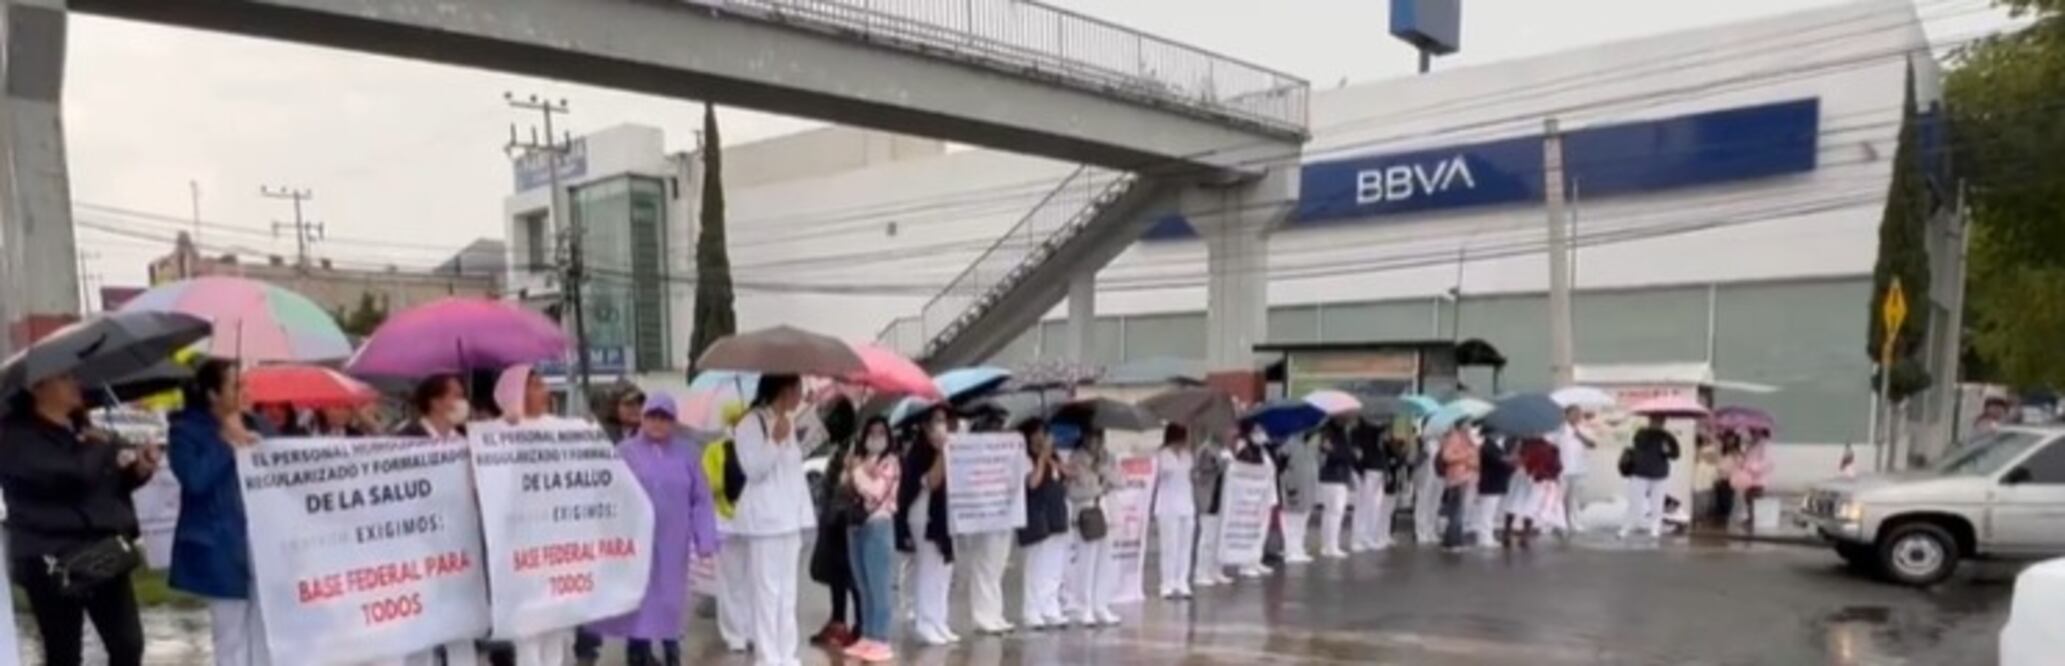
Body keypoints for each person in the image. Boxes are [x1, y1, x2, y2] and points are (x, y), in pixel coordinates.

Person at [2, 371, 156, 666]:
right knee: (64, 651)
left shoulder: (80, 428)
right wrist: (98, 446)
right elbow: (71, 477)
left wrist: (136, 471)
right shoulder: (17, 438)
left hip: (100, 549)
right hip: (51, 556)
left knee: (128, 644)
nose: (76, 384)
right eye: (65, 378)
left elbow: (102, 487)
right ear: (39, 387)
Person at [586, 392, 720, 666]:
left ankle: (672, 651)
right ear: (643, 418)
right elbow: (607, 493)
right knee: (639, 599)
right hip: (635, 544)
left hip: (673, 543)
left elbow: (701, 499)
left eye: (665, 417)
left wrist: (705, 539)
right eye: (653, 416)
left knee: (670, 600)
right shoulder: (625, 452)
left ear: (673, 421)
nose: (658, 423)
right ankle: (638, 652)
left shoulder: (687, 454)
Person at [165, 360, 272, 666]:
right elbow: (195, 479)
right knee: (230, 634)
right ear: (213, 394)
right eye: (236, 386)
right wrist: (226, 443)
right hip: (220, 544)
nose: (244, 392)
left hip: (259, 540)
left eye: (245, 384)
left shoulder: (257, 424)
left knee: (263, 629)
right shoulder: (185, 432)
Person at [729, 374, 817, 666]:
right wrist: (775, 440)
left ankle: (787, 653)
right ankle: (767, 656)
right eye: (797, 390)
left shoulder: (789, 422)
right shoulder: (749, 424)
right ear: (783, 390)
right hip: (765, 522)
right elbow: (754, 470)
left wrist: (810, 419)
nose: (800, 395)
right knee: (767, 593)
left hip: (790, 520)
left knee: (788, 593)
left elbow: (794, 468)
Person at [894, 406, 958, 645]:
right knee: (929, 567)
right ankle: (925, 620)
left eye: (944, 420)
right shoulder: (918, 453)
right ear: (925, 426)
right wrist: (942, 453)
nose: (942, 425)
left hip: (945, 516)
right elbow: (932, 481)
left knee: (944, 568)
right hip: (923, 515)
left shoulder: (947, 449)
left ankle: (940, 620)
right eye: (937, 421)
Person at [841, 417, 900, 663]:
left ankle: (881, 638)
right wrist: (851, 470)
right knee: (863, 585)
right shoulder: (859, 460)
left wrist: (858, 473)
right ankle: (867, 634)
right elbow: (845, 487)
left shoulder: (891, 463)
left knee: (879, 585)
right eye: (871, 432)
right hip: (856, 527)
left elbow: (876, 492)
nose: (876, 437)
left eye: (881, 432)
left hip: (879, 525)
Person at [807, 398, 862, 648]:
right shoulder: (841, 447)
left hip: (844, 521)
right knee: (836, 574)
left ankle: (861, 626)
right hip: (832, 520)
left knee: (851, 577)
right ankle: (838, 621)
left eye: (830, 420)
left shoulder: (854, 449)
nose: (827, 426)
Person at [1063, 425, 1123, 626]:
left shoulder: (1107, 457)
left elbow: (1120, 480)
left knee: (1105, 562)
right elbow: (1075, 491)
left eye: (1100, 437)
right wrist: (1098, 486)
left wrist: (1104, 470)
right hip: (1086, 512)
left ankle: (1101, 604)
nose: (1097, 442)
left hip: (1106, 512)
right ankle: (1083, 606)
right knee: (1087, 562)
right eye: (1093, 437)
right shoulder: (1077, 458)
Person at [1015, 417, 1070, 629]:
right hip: (1035, 516)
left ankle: (1050, 606)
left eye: (1044, 433)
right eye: (1037, 433)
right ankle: (1032, 610)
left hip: (1055, 515)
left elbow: (1066, 475)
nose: (1042, 437)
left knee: (1052, 566)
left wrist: (1050, 458)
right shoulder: (1026, 458)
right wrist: (1041, 459)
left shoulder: (1052, 457)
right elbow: (1033, 483)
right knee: (1035, 566)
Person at [1152, 424, 1197, 599]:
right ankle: (1167, 583)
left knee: (1185, 546)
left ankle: (1182, 581)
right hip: (1167, 506)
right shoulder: (1162, 455)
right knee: (1169, 546)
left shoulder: (1187, 455)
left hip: (1187, 504)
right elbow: (1161, 475)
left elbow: (1191, 475)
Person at [1620, 414, 1682, 539]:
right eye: (1655, 420)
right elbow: (1638, 443)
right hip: (1640, 472)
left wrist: (1668, 451)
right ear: (1650, 421)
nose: (1658, 423)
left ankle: (1655, 528)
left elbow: (1675, 455)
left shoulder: (1668, 437)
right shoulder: (1642, 433)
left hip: (1659, 474)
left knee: (1657, 503)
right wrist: (1654, 435)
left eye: (1660, 421)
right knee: (1635, 501)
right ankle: (1628, 526)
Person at [1190, 428, 1234, 588]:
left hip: (1221, 497)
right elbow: (1205, 470)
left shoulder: (1224, 449)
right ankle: (1201, 572)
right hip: (1208, 497)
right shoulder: (1206, 450)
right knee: (1207, 538)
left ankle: (1216, 569)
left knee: (1219, 537)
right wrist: (1223, 463)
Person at [1314, 417, 1358, 559]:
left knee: (1331, 512)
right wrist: (1351, 454)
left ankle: (1329, 544)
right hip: (1334, 476)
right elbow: (1333, 453)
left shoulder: (1339, 433)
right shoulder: (1330, 433)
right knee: (1335, 511)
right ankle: (1330, 545)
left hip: (1337, 476)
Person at [1276, 428, 1321, 564]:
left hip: (1307, 487)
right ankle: (1291, 551)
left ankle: (1298, 548)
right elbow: (1281, 460)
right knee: (1292, 520)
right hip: (1293, 485)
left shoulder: (1310, 444)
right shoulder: (1291, 442)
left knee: (1302, 520)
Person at [1350, 420, 1395, 552]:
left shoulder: (1379, 432)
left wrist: (1386, 470)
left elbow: (1383, 453)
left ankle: (1369, 536)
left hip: (1378, 470)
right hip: (1368, 470)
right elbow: (1357, 454)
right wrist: (1360, 470)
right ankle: (1358, 538)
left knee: (1375, 506)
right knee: (1363, 505)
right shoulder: (1359, 432)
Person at [1551, 407, 1595, 535]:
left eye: (1579, 414)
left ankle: (1574, 522)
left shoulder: (1584, 428)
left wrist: (1579, 435)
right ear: (1566, 415)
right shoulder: (1559, 430)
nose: (1577, 417)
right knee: (1559, 498)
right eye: (1573, 414)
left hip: (1579, 468)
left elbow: (1592, 444)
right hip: (1562, 469)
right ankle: (1558, 523)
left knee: (1574, 498)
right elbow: (1551, 446)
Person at [1438, 423, 1480, 551]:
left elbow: (1475, 458)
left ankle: (1454, 540)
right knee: (1457, 511)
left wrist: (1473, 462)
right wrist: (1465, 457)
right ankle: (1453, 542)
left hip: (1468, 477)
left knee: (1460, 511)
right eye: (1467, 424)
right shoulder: (1454, 437)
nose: (1470, 427)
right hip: (1457, 478)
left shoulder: (1469, 439)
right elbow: (1446, 456)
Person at [1473, 429, 1518, 547]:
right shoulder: (1488, 447)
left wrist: (1510, 460)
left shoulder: (1495, 447)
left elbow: (1503, 460)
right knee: (1486, 512)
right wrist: (1510, 460)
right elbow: (1499, 461)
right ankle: (1484, 538)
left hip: (1495, 483)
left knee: (1490, 511)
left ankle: (1487, 536)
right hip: (1490, 483)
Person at [395, 374, 469, 439]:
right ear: (435, 402)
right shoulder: (405, 437)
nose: (463, 402)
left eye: (463, 397)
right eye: (457, 395)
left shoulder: (466, 437)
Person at [1732, 428, 1775, 532]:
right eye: (1751, 432)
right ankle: (1750, 519)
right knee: (1748, 499)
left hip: (1758, 480)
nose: (1751, 434)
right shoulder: (1752, 445)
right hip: (1749, 479)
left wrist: (1752, 467)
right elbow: (1748, 459)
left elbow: (1768, 463)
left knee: (1754, 500)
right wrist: (1743, 461)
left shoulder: (1765, 446)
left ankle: (1754, 521)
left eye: (1754, 432)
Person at [1413, 420, 1446, 545]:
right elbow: (1419, 459)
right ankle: (1421, 531)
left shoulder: (1441, 442)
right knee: (1423, 503)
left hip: (1439, 476)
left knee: (1434, 503)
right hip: (1426, 474)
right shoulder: (1425, 441)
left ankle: (1430, 530)